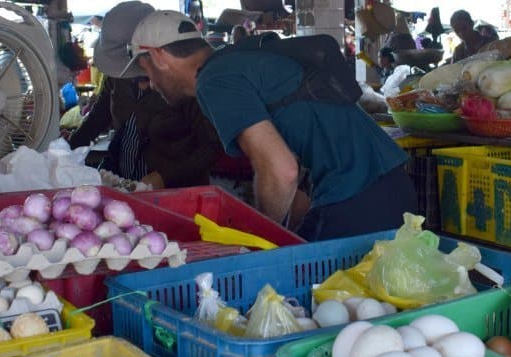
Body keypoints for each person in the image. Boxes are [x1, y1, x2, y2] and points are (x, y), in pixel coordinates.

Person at [121, 10, 415, 240]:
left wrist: (260, 237)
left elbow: (280, 170)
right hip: (391, 184)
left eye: (144, 70)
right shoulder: (240, 62)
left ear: (158, 56)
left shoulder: (214, 80)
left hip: (354, 197)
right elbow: (293, 173)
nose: (148, 86)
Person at [68, 2, 221, 188]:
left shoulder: (184, 83)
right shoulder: (117, 79)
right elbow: (97, 118)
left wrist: (166, 176)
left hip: (177, 193)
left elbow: (212, 147)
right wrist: (64, 148)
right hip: (123, 180)